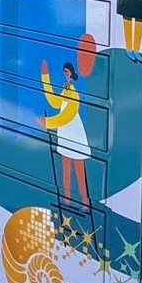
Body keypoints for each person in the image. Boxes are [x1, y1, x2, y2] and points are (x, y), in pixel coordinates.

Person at [39, 61, 89, 210]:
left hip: (75, 134)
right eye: (64, 72)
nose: (65, 74)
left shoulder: (73, 91)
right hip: (66, 132)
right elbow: (54, 102)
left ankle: (85, 202)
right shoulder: (65, 89)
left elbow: (67, 115)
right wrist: (45, 77)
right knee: (66, 168)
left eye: (67, 72)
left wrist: (47, 122)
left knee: (79, 171)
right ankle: (67, 200)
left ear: (71, 73)